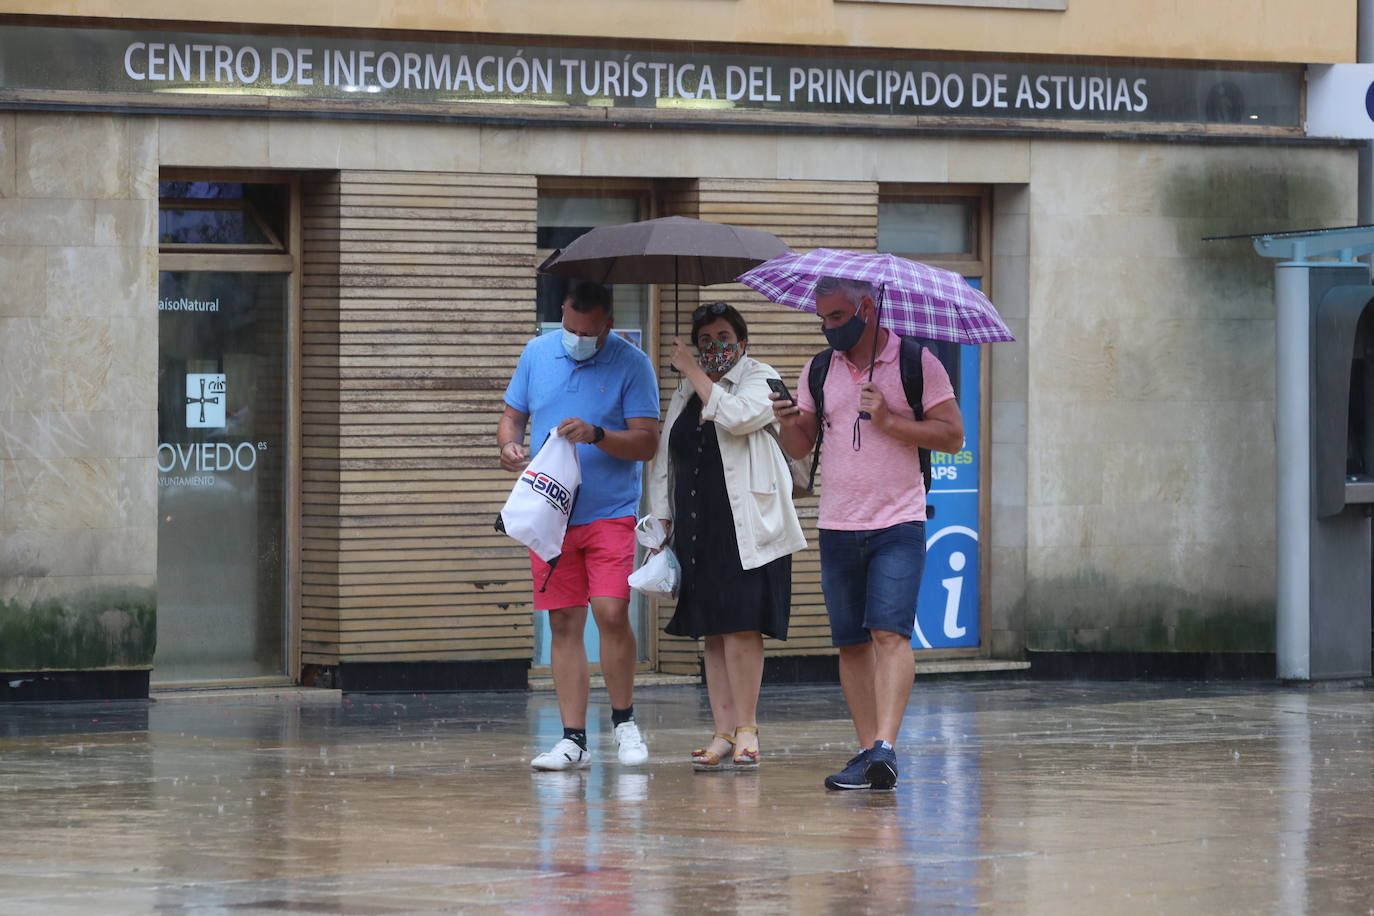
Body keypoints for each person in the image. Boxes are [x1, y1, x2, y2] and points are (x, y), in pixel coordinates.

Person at [771, 276, 964, 791]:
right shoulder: (818, 368)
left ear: (866, 308)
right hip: (837, 522)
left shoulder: (917, 362)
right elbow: (800, 445)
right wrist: (785, 421)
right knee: (852, 643)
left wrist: (890, 419)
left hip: (899, 520)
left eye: (837, 317)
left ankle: (885, 745)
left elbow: (952, 435)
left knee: (890, 633)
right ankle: (866, 754)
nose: (830, 327)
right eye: (824, 319)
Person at [498, 280, 660, 771]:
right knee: (563, 619)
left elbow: (647, 443)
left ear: (607, 323)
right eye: (568, 326)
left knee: (611, 612)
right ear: (561, 314)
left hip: (610, 510)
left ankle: (625, 722)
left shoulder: (634, 363)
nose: (575, 337)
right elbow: (512, 417)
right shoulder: (537, 353)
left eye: (586, 332)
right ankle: (572, 739)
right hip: (552, 511)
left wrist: (598, 434)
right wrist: (508, 446)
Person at [648, 302, 805, 771]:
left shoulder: (762, 378)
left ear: (743, 341)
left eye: (723, 337)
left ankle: (748, 729)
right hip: (699, 523)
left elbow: (736, 417)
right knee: (712, 632)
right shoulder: (684, 390)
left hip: (749, 525)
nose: (714, 347)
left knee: (740, 627)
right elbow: (665, 458)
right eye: (705, 339)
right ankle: (721, 731)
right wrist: (660, 521)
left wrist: (696, 371)